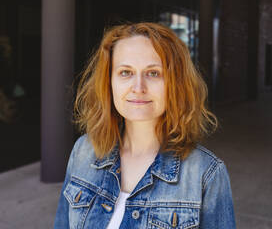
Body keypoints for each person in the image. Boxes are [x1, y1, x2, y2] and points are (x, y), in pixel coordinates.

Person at [54, 22, 236, 228]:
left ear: (175, 84)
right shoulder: (83, 150)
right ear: (109, 81)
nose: (138, 87)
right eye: (125, 72)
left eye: (153, 73)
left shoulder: (206, 173)